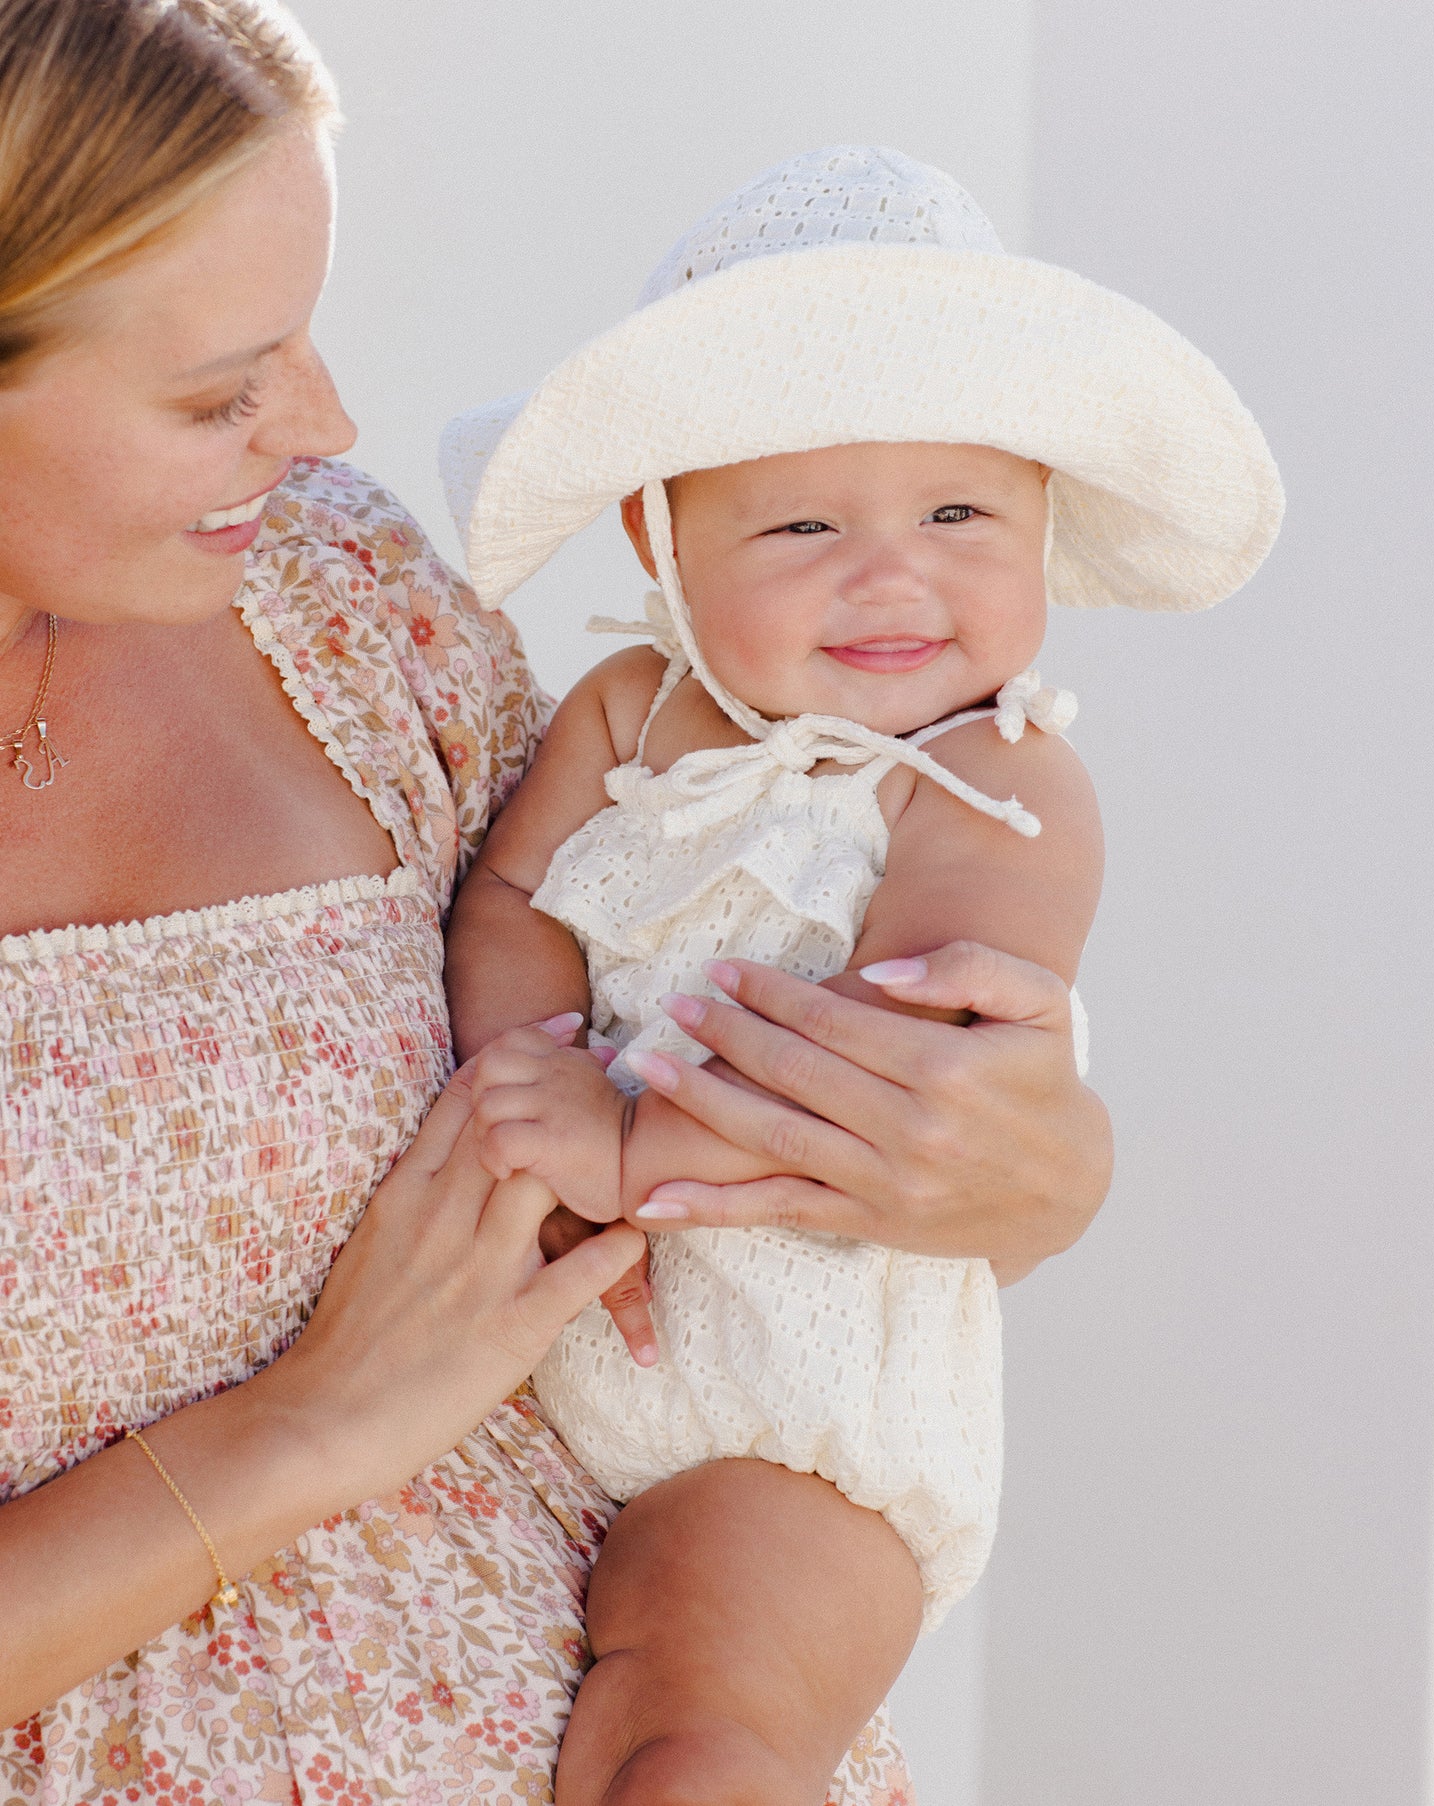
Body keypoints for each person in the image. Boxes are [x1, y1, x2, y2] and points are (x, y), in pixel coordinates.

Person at [0, 7, 1113, 1801]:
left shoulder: (335, 598)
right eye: (223, 389)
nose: (327, 424)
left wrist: (1033, 1174)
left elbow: (656, 967)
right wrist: (300, 1434)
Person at [441, 148, 1283, 1805]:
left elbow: (896, 1066)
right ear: (661, 534)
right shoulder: (626, 710)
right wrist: (520, 1067)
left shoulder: (995, 781)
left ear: (1045, 512)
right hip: (529, 1356)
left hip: (789, 1394)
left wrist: (616, 1153)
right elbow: (511, 900)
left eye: (959, 512)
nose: (892, 573)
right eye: (805, 520)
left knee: (689, 1734)